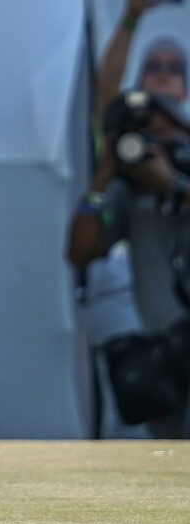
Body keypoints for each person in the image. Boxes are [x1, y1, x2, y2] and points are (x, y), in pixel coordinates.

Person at [67, 83, 189, 439]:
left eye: (167, 129)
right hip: (169, 355)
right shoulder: (130, 191)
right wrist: (103, 178)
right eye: (147, 133)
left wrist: (173, 186)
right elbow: (79, 252)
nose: (156, 142)